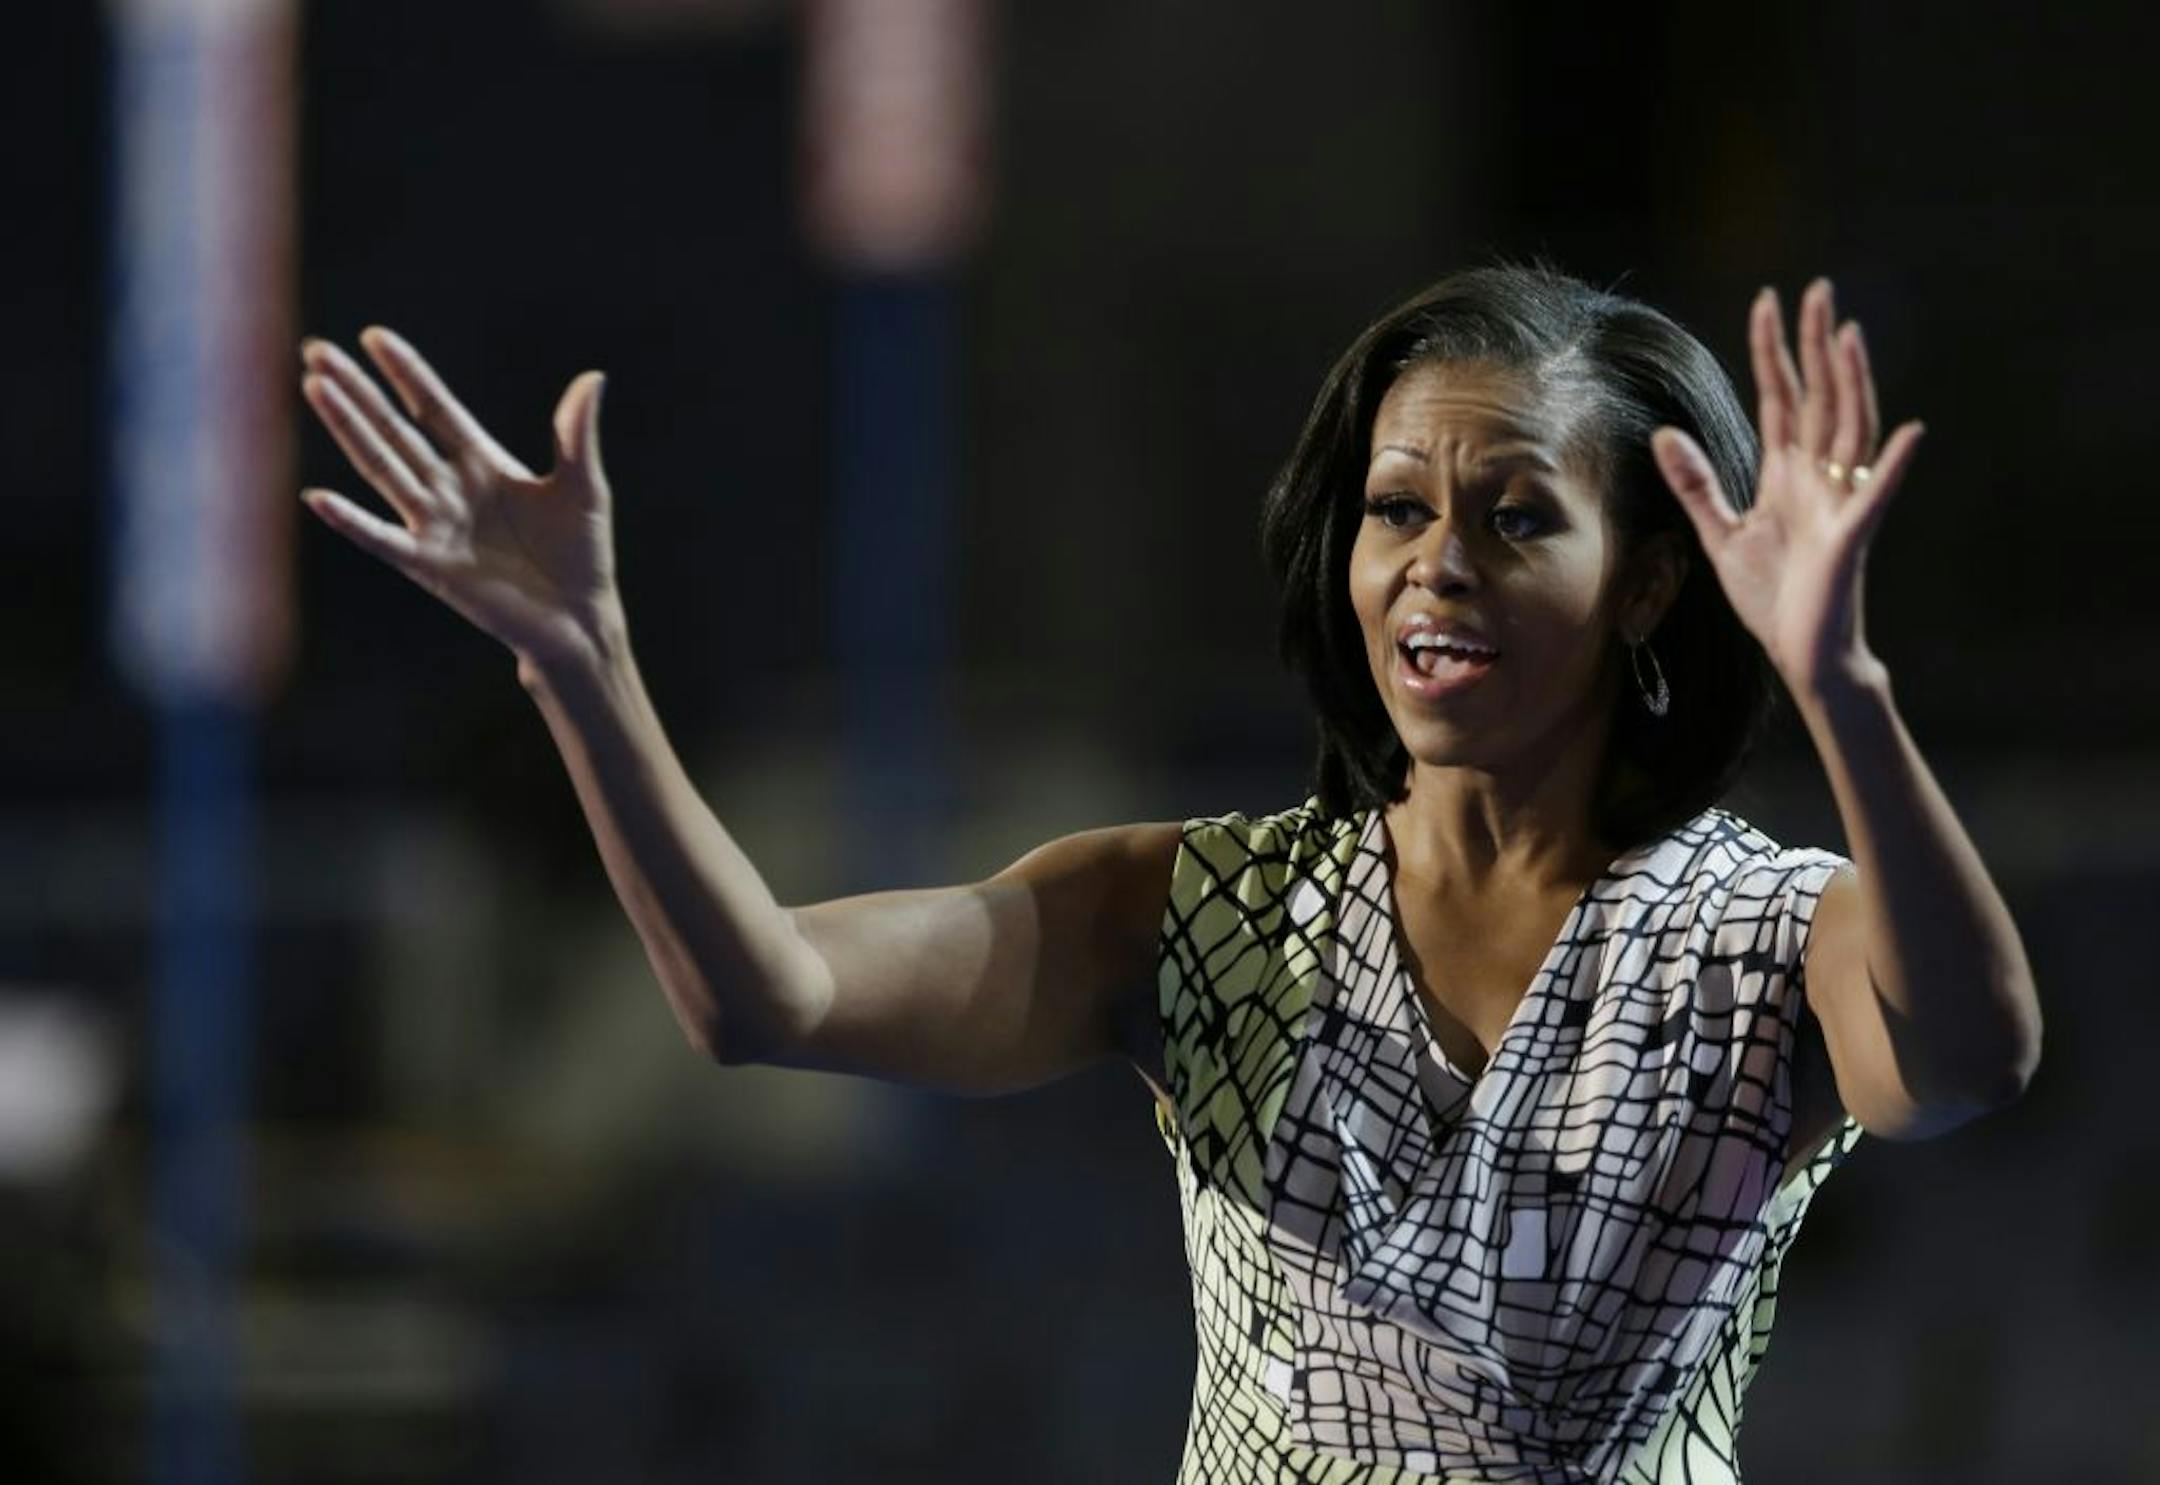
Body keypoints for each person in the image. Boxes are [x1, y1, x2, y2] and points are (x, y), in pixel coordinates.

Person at [297, 262, 2043, 1483]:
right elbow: (763, 993)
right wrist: (582, 662)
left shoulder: (1756, 933)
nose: (1436, 566)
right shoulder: (1193, 911)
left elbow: (1966, 1062)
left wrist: (1844, 689)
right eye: (1396, 509)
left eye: (1516, 517)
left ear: (1651, 585)